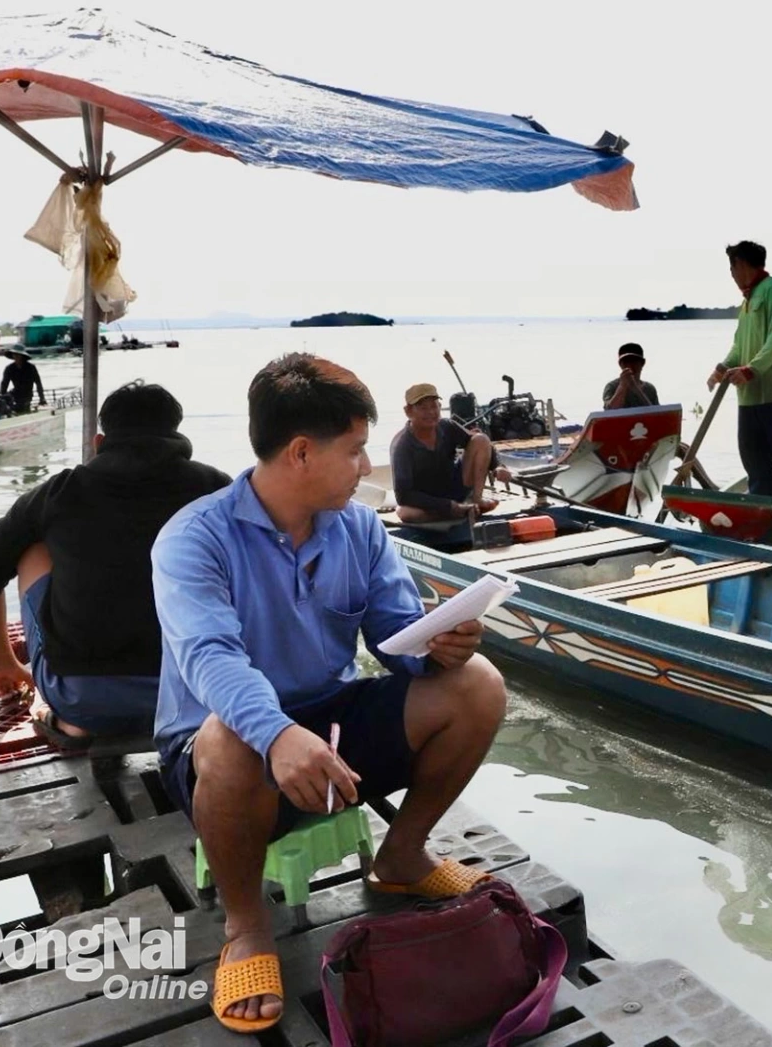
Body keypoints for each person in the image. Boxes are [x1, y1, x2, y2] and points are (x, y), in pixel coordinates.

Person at [152, 353, 508, 1033]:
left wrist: (437, 645)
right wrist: (277, 734)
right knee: (229, 735)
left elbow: (392, 634)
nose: (365, 466)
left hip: (329, 722)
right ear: (300, 453)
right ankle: (246, 927)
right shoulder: (193, 539)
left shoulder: (360, 526)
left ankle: (402, 855)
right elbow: (209, 657)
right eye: (354, 450)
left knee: (477, 686)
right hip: (217, 748)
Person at [0, 380, 230, 751]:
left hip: (84, 700)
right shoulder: (215, 488)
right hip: (198, 692)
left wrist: (2, 662)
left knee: (32, 547)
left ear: (99, 443)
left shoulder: (59, 493)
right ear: (178, 437)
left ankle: (70, 722)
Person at [709, 240, 772, 507]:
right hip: (749, 397)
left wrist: (752, 370)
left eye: (732, 268)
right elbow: (739, 346)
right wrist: (722, 368)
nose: (731, 274)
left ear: (741, 264)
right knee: (753, 459)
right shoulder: (748, 301)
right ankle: (760, 510)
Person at [390, 383, 513, 524]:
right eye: (423, 408)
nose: (430, 412)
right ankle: (460, 511)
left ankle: (475, 500)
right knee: (404, 512)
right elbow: (403, 495)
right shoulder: (402, 445)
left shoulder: (447, 426)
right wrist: (447, 506)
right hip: (429, 501)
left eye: (433, 406)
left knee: (481, 438)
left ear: (440, 407)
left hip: (455, 487)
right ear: (408, 412)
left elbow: (479, 442)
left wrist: (498, 466)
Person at [603, 342, 661, 410]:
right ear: (620, 365)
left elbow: (656, 412)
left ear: (642, 363)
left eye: (634, 361)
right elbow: (610, 411)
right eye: (626, 362)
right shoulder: (612, 386)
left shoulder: (650, 389)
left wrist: (636, 389)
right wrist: (622, 386)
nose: (630, 366)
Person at [0, 348, 46, 414]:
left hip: (27, 394)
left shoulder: (31, 367)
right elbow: (4, 384)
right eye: (14, 354)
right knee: (0, 403)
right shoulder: (9, 368)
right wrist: (1, 396)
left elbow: (38, 383)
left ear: (22, 356)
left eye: (18, 355)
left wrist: (42, 398)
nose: (16, 357)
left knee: (21, 407)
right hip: (15, 393)